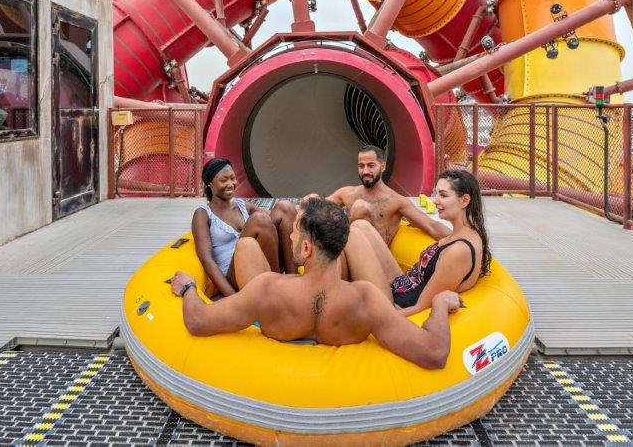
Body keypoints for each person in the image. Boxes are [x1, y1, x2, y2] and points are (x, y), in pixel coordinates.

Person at [169, 197, 461, 369]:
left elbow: (197, 321)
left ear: (307, 248)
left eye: (295, 233)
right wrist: (439, 304)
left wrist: (189, 288)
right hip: (344, 374)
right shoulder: (365, 299)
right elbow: (434, 353)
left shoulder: (267, 289)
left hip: (275, 365)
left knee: (245, 248)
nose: (290, 236)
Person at [343, 169, 491, 317]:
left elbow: (421, 306)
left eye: (443, 195)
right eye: (436, 194)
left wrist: (381, 321)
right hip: (401, 285)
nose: (435, 200)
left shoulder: (458, 251)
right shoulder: (465, 234)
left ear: (464, 200)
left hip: (394, 305)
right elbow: (434, 228)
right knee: (361, 225)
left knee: (354, 235)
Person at [192, 158, 298, 297]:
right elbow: (207, 260)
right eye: (224, 180)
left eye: (232, 178)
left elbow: (277, 217)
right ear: (209, 184)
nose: (231, 184)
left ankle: (294, 282)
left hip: (262, 264)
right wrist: (234, 298)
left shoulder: (242, 205)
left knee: (285, 207)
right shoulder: (203, 214)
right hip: (235, 274)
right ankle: (277, 288)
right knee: (259, 220)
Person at [306, 145, 449, 245]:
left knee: (360, 207)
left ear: (383, 166)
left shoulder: (396, 201)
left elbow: (431, 226)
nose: (365, 171)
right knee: (309, 199)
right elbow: (316, 209)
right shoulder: (347, 193)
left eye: (371, 165)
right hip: (346, 253)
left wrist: (461, 239)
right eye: (361, 166)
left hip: (375, 261)